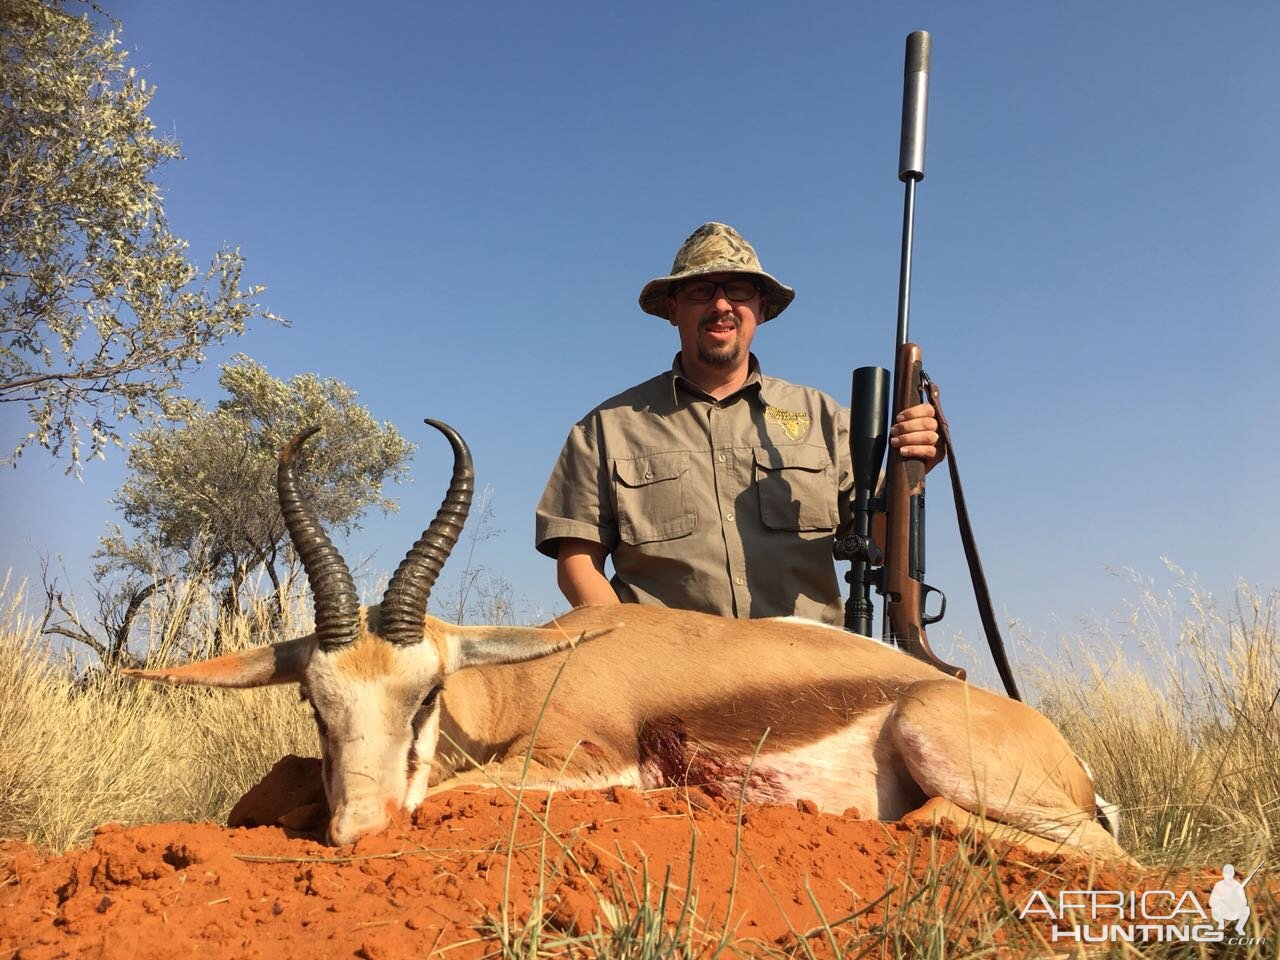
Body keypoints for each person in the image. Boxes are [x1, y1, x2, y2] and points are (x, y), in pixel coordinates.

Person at [535, 222, 942, 624]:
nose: (721, 305)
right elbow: (578, 562)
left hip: (810, 669)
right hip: (673, 674)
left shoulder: (824, 419)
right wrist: (632, 654)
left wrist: (915, 468)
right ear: (673, 309)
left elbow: (881, 546)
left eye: (739, 290)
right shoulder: (605, 429)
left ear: (761, 309)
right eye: (700, 290)